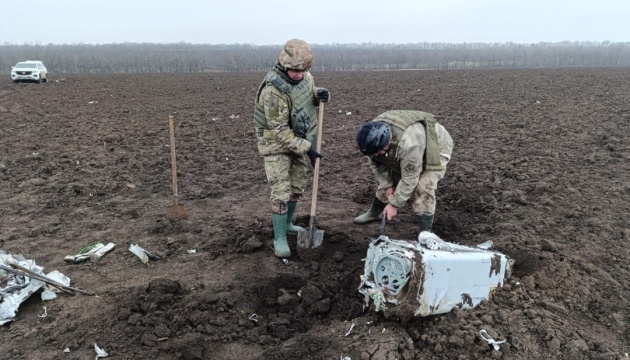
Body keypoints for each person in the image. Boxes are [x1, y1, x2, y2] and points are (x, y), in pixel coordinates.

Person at [253, 39, 330, 258]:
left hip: (297, 139)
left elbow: (307, 99)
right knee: (281, 191)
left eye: (303, 70)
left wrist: (320, 96)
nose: (298, 74)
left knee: (297, 185)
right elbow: (279, 131)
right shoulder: (273, 91)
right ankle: (279, 237)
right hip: (275, 144)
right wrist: (308, 149)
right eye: (294, 70)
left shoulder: (306, 78)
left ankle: (288, 224)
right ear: (284, 65)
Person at [354, 110, 453, 234]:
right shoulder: (371, 138)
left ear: (387, 141)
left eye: (379, 152)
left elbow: (410, 178)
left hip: (437, 146)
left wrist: (394, 205)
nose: (376, 155)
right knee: (391, 182)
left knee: (424, 187)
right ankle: (374, 213)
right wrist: (388, 185)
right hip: (413, 145)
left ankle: (425, 233)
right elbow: (377, 164)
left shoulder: (408, 145)